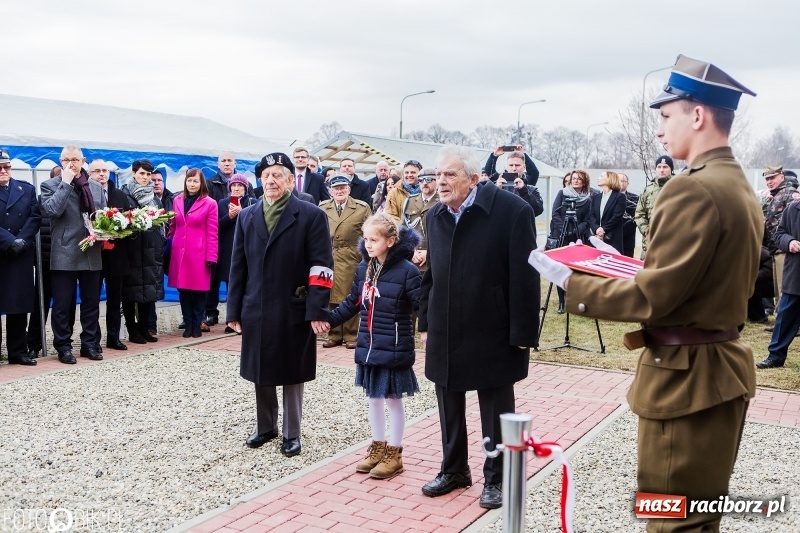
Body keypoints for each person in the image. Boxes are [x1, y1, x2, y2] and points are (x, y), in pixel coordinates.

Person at [529, 54, 760, 532]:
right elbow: (691, 280)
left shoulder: (690, 189)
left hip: (686, 380)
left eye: (665, 115)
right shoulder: (736, 184)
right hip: (717, 369)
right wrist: (624, 266)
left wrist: (574, 281)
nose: (659, 129)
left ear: (697, 115)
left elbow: (656, 297)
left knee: (672, 521)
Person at [418, 145, 539, 510]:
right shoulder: (435, 215)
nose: (440, 181)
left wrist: (522, 333)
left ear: (473, 178)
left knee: (495, 407)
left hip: (493, 326)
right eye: (438, 174)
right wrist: (426, 320)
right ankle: (454, 469)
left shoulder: (512, 211)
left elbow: (525, 277)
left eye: (450, 174)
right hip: (446, 325)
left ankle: (498, 477)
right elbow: (431, 275)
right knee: (448, 401)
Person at [226, 152, 333, 458]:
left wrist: (316, 309)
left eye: (277, 174)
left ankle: (292, 432)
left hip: (293, 307)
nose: (271, 180)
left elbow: (321, 267)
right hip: (256, 306)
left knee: (292, 371)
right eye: (266, 176)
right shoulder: (247, 216)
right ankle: (265, 427)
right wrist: (233, 310)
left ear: (290, 179)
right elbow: (238, 266)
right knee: (260, 369)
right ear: (259, 181)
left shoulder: (311, 215)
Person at [317, 213, 421, 479]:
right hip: (369, 346)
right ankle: (377, 446)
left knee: (393, 399)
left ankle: (395, 452)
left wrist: (429, 330)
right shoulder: (365, 268)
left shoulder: (407, 271)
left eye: (374, 239)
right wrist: (328, 321)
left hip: (394, 346)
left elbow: (422, 305)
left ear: (391, 240)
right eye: (366, 239)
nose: (369, 244)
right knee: (374, 397)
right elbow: (353, 301)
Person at [40, 145, 106, 364]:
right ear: (60, 161)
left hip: (91, 252)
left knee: (91, 303)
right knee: (61, 304)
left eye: (75, 159)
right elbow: (52, 211)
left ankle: (89, 343)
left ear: (83, 160)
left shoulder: (95, 187)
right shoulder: (50, 185)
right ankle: (63, 346)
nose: (71, 163)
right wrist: (66, 183)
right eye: (66, 159)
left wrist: (108, 231)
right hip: (65, 251)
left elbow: (101, 217)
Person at [26, 166, 76, 359]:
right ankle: (34, 343)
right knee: (41, 303)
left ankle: (65, 342)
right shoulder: (44, 199)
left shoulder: (73, 197)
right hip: (46, 259)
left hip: (67, 261)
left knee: (67, 304)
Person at [319, 176, 371, 349]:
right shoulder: (322, 208)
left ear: (349, 189)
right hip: (328, 255)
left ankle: (350, 334)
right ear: (330, 191)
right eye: (336, 189)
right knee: (330, 295)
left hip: (351, 256)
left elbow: (368, 232)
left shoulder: (361, 208)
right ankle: (333, 333)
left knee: (350, 295)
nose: (340, 191)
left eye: (343, 188)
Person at [0, 149, 41, 366]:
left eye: (6, 166)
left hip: (20, 254)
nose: (3, 170)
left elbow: (35, 216)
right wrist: (9, 241)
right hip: (2, 251)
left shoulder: (25, 189)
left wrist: (22, 240)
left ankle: (18, 351)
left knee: (18, 305)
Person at [167, 169, 218, 338]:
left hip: (199, 253)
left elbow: (212, 232)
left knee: (198, 291)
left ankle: (197, 323)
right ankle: (187, 323)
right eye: (189, 181)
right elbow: (173, 226)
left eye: (195, 181)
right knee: (183, 291)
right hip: (179, 252)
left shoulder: (210, 203)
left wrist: (212, 255)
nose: (192, 184)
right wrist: (169, 243)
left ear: (201, 183)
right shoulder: (177, 200)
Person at [119, 160, 166, 344]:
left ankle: (145, 328)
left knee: (149, 292)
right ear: (134, 174)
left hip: (151, 249)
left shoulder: (154, 196)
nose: (146, 178)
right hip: (133, 250)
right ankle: (133, 330)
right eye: (142, 174)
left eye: (148, 174)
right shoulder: (125, 194)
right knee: (131, 293)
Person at [88, 159, 129, 350]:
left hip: (116, 255)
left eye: (104, 170)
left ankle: (113, 337)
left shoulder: (119, 194)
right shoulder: (85, 193)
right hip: (94, 254)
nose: (102, 174)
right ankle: (93, 339)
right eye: (97, 171)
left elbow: (128, 220)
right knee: (92, 299)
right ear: (89, 173)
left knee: (115, 298)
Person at [756, 198, 800, 369]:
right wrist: (789, 242)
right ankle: (775, 356)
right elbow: (779, 234)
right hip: (796, 274)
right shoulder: (793, 209)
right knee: (785, 317)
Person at [547, 170, 592, 313]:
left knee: (577, 270)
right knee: (560, 268)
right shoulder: (562, 193)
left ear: (584, 182)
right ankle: (562, 302)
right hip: (561, 236)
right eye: (574, 178)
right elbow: (555, 214)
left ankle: (576, 300)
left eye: (579, 179)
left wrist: (575, 230)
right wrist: (564, 230)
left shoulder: (588, 199)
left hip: (578, 236)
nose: (576, 181)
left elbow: (587, 220)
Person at [217, 174, 256, 333]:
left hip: (246, 248)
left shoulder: (252, 203)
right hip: (228, 249)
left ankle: (244, 318)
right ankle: (231, 320)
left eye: (240, 186)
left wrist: (242, 213)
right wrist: (230, 216)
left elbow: (255, 224)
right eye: (234, 185)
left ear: (245, 188)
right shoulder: (222, 203)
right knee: (230, 285)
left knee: (245, 284)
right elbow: (218, 226)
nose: (236, 188)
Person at [204, 152, 236, 327]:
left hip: (237, 237)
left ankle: (233, 315)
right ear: (218, 164)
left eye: (229, 160)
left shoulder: (243, 182)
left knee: (234, 279)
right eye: (223, 161)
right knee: (213, 279)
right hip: (217, 235)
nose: (226, 164)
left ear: (234, 163)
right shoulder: (210, 183)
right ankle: (210, 313)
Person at [761, 165, 799, 306]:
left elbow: (796, 220)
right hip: (775, 248)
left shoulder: (790, 193)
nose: (769, 182)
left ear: (782, 177)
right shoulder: (777, 195)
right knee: (779, 290)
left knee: (787, 290)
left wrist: (790, 241)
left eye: (772, 178)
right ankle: (780, 324)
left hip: (786, 249)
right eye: (767, 179)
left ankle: (788, 326)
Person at [635, 155, 674, 258]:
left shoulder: (679, 187)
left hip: (673, 242)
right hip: (650, 242)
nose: (662, 170)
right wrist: (646, 230)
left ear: (671, 169)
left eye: (665, 167)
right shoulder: (648, 190)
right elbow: (639, 213)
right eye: (659, 167)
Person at [401, 168, 438, 274]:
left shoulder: (443, 203)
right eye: (421, 180)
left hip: (433, 261)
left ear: (437, 182)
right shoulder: (410, 201)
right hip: (412, 260)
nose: (424, 183)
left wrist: (429, 253)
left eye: (429, 179)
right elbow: (403, 231)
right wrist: (411, 251)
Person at [490, 152, 544, 218]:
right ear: (507, 166)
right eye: (511, 165)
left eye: (517, 165)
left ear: (524, 167)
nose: (514, 168)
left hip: (523, 226)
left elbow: (538, 211)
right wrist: (496, 190)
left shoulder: (532, 190)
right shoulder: (497, 186)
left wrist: (524, 191)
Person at [589, 171, 626, 253]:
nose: (598, 178)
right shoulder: (596, 197)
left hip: (612, 238)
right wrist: (597, 229)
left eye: (601, 176)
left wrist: (603, 229)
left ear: (610, 179)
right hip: (597, 238)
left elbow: (616, 216)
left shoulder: (620, 197)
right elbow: (591, 216)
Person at [619, 173, 639, 258]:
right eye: (619, 180)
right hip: (610, 236)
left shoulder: (634, 198)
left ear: (627, 183)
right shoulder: (607, 196)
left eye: (624, 181)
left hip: (628, 237)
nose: (622, 183)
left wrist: (621, 231)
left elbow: (636, 217)